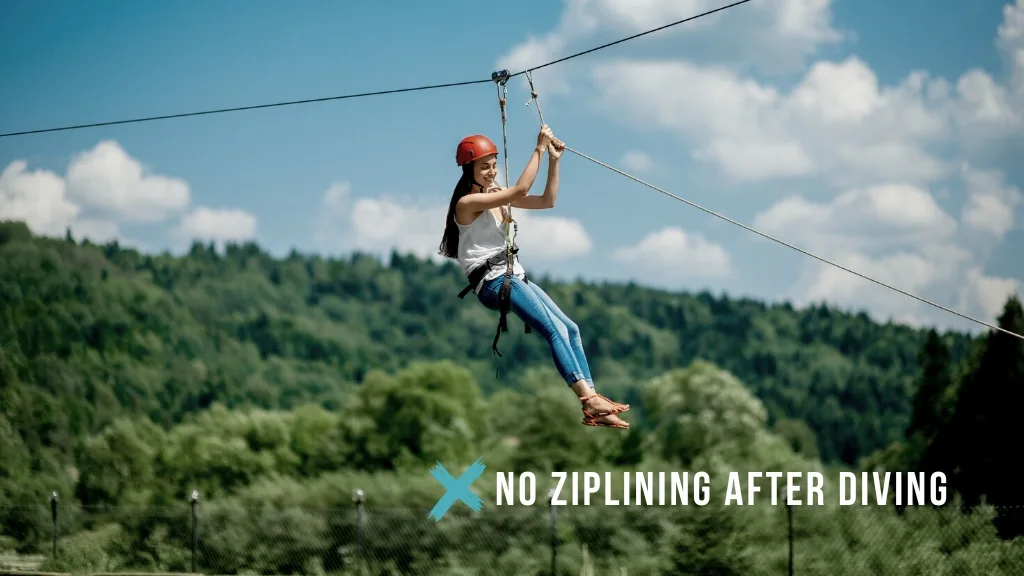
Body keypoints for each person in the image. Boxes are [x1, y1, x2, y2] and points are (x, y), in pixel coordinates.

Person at [438, 125, 630, 429]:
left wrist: (554, 160)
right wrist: (538, 148)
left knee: (570, 329)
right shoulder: (467, 204)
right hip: (493, 282)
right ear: (468, 170)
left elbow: (546, 201)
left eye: (493, 165)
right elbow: (521, 191)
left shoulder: (497, 195)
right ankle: (587, 399)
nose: (490, 172)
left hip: (512, 275)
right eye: (483, 167)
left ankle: (593, 400)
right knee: (553, 329)